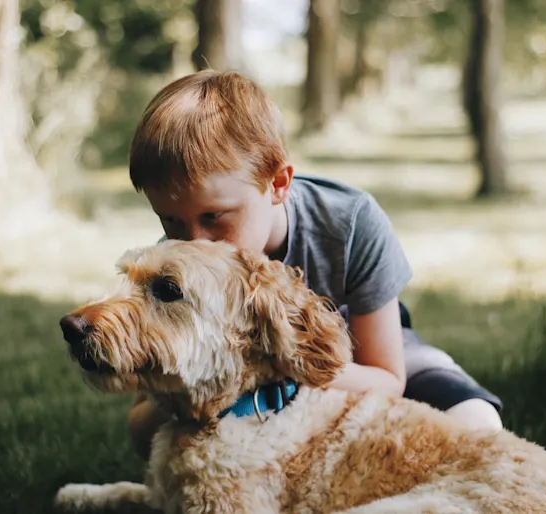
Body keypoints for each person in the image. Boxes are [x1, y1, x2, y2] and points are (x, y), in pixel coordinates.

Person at [125, 69, 503, 461]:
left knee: (478, 422)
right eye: (170, 221)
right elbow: (141, 418)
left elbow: (388, 379)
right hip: (238, 389)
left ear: (278, 184)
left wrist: (283, 364)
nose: (193, 243)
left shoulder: (350, 223)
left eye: (214, 217)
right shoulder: (173, 269)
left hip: (359, 357)